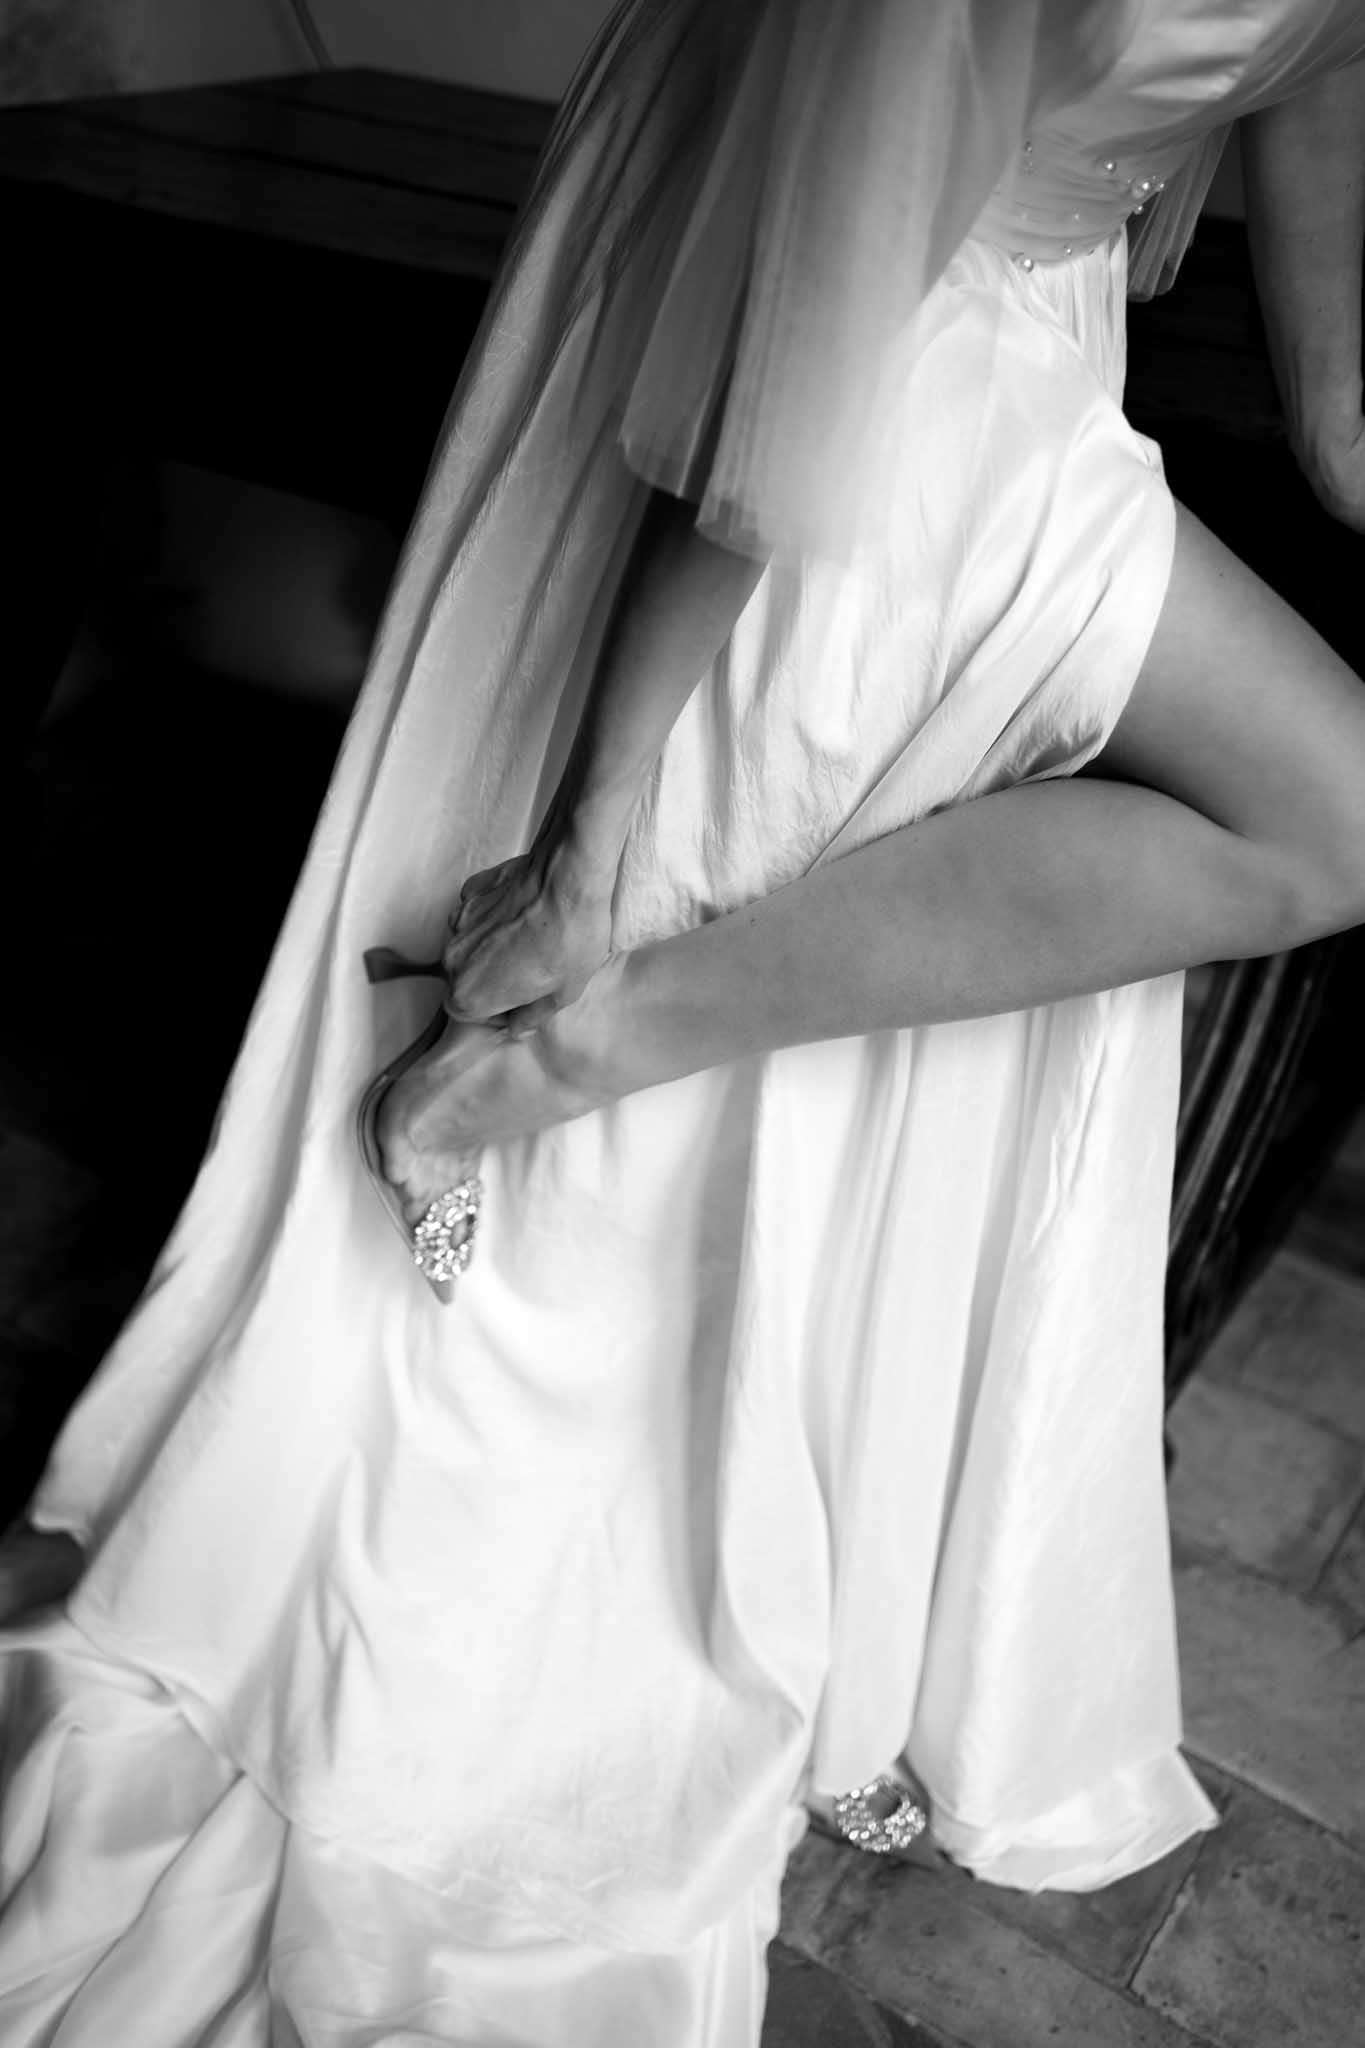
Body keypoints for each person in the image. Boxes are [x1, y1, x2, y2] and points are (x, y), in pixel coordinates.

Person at [3, 2, 1365, 2042]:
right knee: (1314, 809)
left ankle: (578, 1052)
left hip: (1010, 377)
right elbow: (814, 311)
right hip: (836, 385)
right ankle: (566, 1036)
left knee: (1310, 821)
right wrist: (587, 827)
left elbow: (1342, 418)